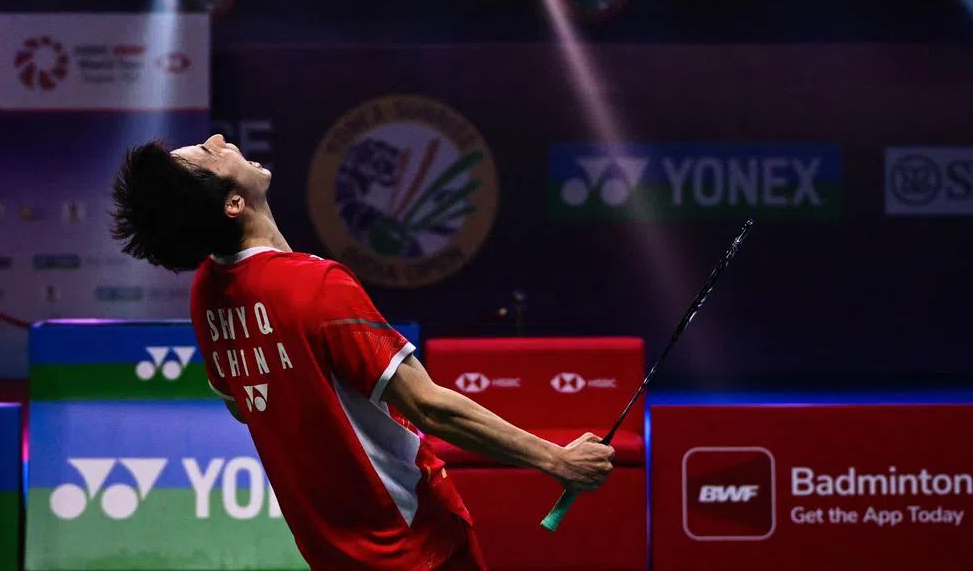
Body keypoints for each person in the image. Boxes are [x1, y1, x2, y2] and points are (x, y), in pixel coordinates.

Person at [111, 134, 615, 571]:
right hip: (413, 541)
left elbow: (240, 405)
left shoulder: (207, 294)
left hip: (330, 549)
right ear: (234, 204)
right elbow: (428, 405)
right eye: (207, 152)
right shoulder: (315, 287)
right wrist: (557, 459)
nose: (220, 140)